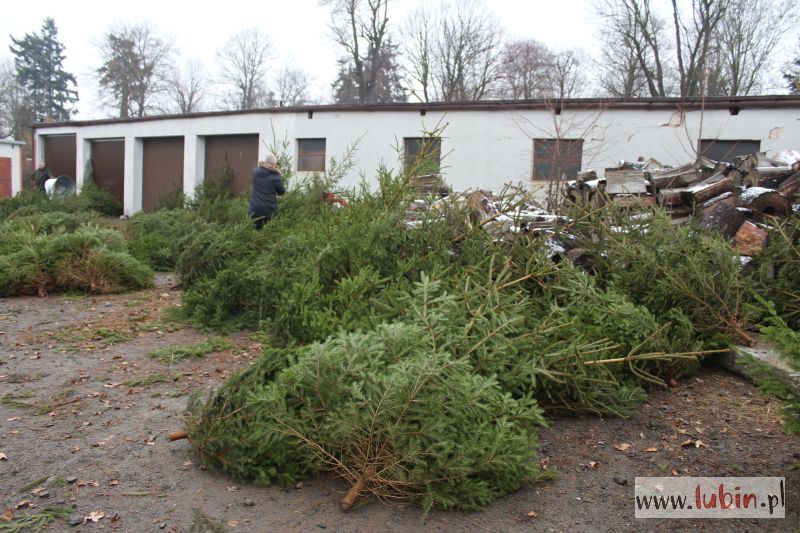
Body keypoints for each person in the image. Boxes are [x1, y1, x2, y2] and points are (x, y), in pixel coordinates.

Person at [249, 153, 285, 230]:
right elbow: (282, 192)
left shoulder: (255, 172)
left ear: (265, 162)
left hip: (254, 209)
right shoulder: (276, 177)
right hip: (268, 211)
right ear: (274, 164)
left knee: (254, 233)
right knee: (267, 232)